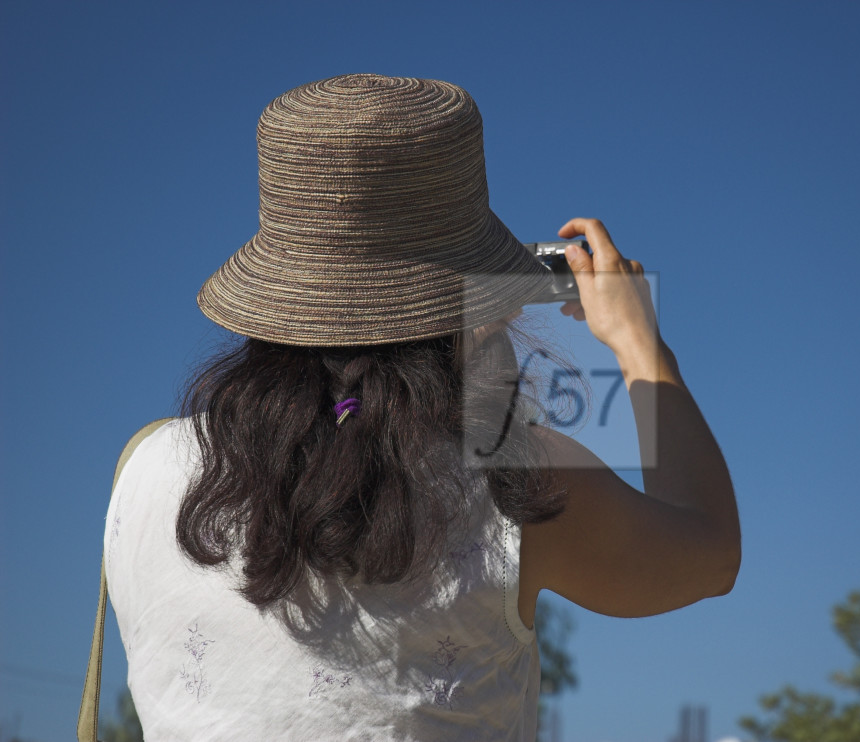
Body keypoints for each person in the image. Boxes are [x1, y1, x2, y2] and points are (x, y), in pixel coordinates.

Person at [105, 74, 739, 740]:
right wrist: (641, 346)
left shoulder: (144, 471)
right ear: (471, 295)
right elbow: (712, 553)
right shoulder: (515, 484)